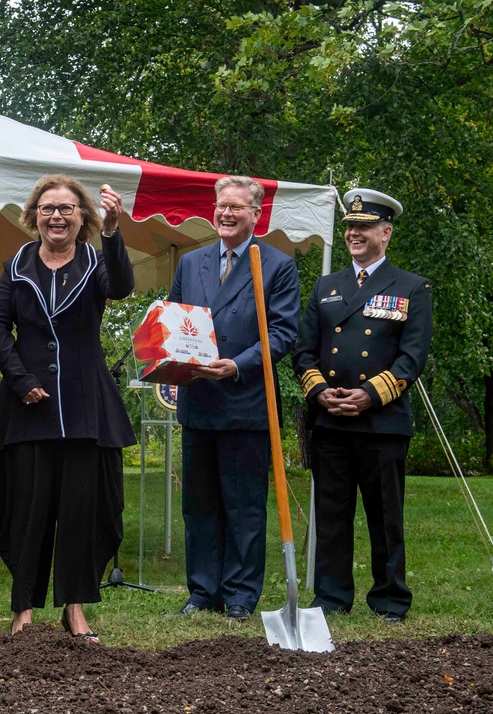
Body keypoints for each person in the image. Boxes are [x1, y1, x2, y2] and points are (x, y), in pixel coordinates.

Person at [0, 176, 135, 641]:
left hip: (87, 407)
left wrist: (112, 232)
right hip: (28, 407)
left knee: (81, 510)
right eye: (48, 208)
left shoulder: (95, 260)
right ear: (34, 215)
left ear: (82, 216)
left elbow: (123, 288)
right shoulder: (16, 265)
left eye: (67, 209)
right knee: (27, 509)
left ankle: (75, 608)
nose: (57, 217)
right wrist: (20, 379)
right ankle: (23, 609)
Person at [293, 188, 433, 622]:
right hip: (330, 421)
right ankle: (331, 598)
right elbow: (304, 351)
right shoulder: (326, 286)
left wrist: (369, 395)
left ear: (385, 233)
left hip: (382, 423)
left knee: (385, 517)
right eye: (351, 226)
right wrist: (320, 392)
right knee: (331, 516)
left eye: (364, 226)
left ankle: (390, 598)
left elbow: (413, 358)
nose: (354, 233)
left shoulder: (411, 286)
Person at [167, 175, 300, 621]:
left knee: (243, 507)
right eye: (221, 205)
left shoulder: (276, 265)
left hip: (245, 403)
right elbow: (173, 320)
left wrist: (238, 364)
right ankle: (202, 592)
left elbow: (282, 333)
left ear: (256, 214)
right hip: (199, 402)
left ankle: (241, 596)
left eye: (236, 208)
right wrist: (168, 362)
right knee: (200, 504)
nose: (225, 213)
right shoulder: (191, 263)